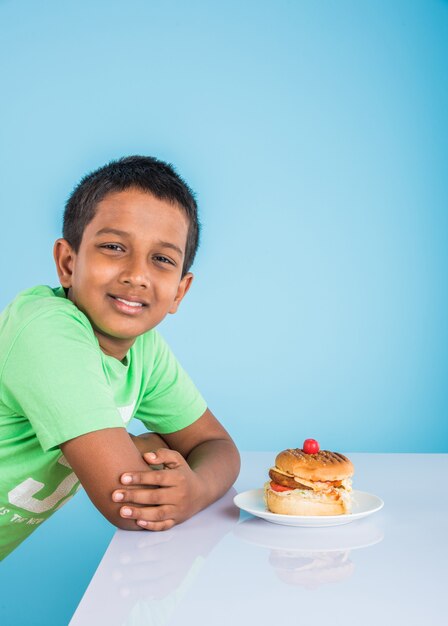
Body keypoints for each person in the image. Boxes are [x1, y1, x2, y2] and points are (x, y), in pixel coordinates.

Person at [0, 155, 240, 560]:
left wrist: (194, 489)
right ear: (67, 262)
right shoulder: (45, 329)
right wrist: (149, 447)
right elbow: (127, 503)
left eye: (161, 259)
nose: (136, 274)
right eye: (113, 247)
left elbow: (217, 445)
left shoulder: (143, 348)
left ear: (180, 291)